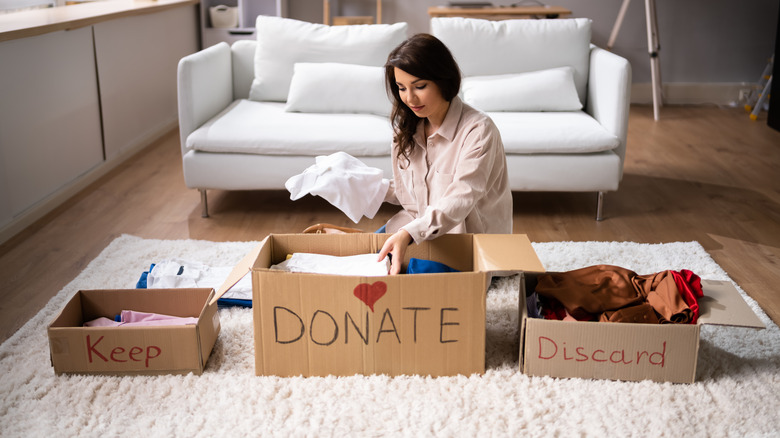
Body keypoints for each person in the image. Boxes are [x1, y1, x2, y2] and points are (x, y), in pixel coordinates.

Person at [377, 33, 513, 274]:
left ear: (444, 80)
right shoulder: (407, 128)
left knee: (403, 274)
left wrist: (409, 233)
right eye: (401, 88)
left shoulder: (479, 130)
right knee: (368, 254)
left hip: (466, 243)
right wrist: (363, 186)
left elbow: (460, 199)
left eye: (420, 86)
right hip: (423, 229)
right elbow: (410, 194)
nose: (410, 98)